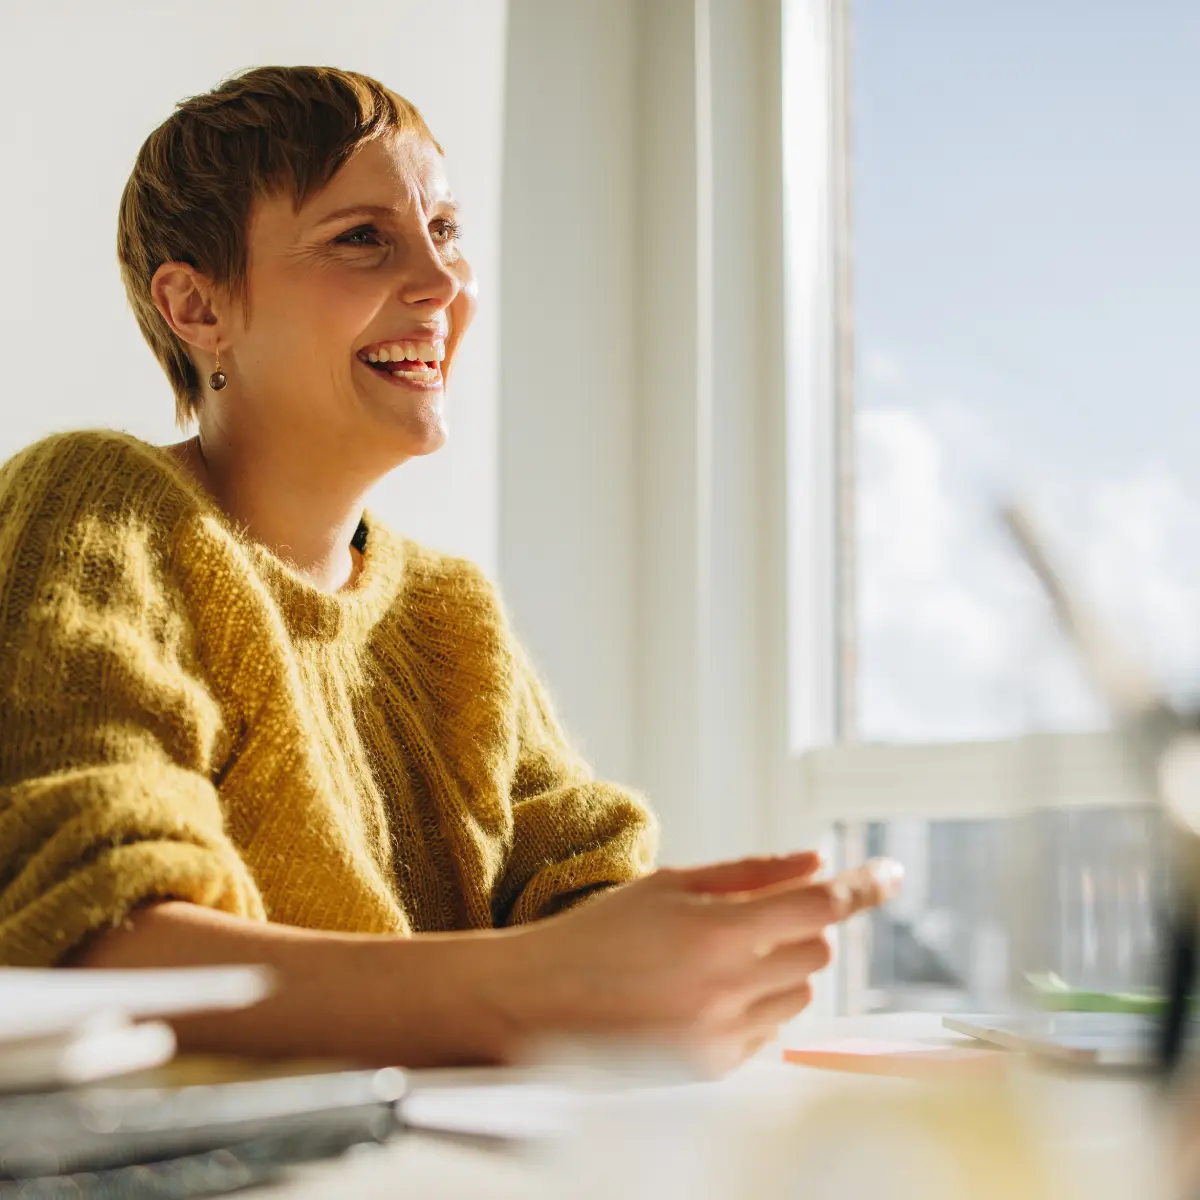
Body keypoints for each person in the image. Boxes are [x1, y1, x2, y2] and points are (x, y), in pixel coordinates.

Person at [0, 65, 901, 1074]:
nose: (443, 285)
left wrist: (675, 960)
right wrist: (531, 991)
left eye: (446, 232)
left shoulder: (448, 612)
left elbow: (579, 888)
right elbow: (90, 946)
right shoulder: (97, 505)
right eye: (362, 238)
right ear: (197, 306)